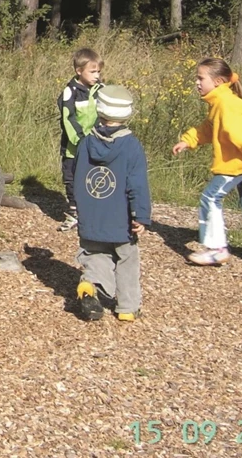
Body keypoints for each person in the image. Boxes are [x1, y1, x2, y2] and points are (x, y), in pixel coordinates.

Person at [171, 58, 242, 268]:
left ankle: (217, 250)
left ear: (218, 81)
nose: (197, 82)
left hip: (234, 165)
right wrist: (188, 140)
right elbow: (209, 128)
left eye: (200, 78)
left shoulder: (227, 105)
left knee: (210, 197)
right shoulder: (220, 102)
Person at [74, 85, 152, 322]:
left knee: (96, 253)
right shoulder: (131, 146)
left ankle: (90, 284)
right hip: (121, 220)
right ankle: (127, 307)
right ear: (127, 113)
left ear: (99, 110)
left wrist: (77, 204)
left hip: (91, 216)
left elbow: (76, 174)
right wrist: (140, 215)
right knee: (126, 259)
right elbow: (137, 184)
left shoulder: (86, 142)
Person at [57, 48, 103, 232]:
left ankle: (92, 212)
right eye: (92, 72)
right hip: (73, 148)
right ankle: (74, 213)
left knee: (93, 178)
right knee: (71, 179)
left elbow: (105, 116)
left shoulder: (100, 90)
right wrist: (81, 141)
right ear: (79, 71)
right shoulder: (70, 92)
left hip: (96, 145)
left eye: (98, 71)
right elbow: (68, 119)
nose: (97, 75)